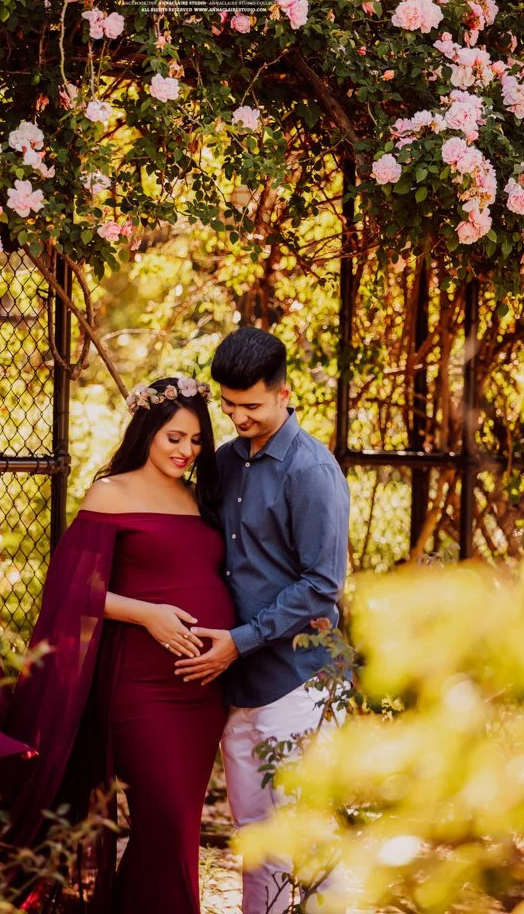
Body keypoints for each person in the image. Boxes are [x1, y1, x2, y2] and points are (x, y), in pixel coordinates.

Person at [0, 375, 236, 914]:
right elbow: (70, 588)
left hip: (202, 690)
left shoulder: (199, 497)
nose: (186, 450)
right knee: (164, 815)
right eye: (174, 438)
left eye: (195, 440)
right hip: (139, 688)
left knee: (177, 824)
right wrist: (148, 615)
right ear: (146, 433)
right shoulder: (111, 492)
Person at [174, 327, 350, 914]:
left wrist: (240, 641)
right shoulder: (225, 462)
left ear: (284, 394)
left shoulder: (311, 469)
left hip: (300, 678)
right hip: (239, 681)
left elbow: (323, 585)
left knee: (308, 834)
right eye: (229, 405)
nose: (238, 417)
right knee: (254, 837)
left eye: (251, 405)